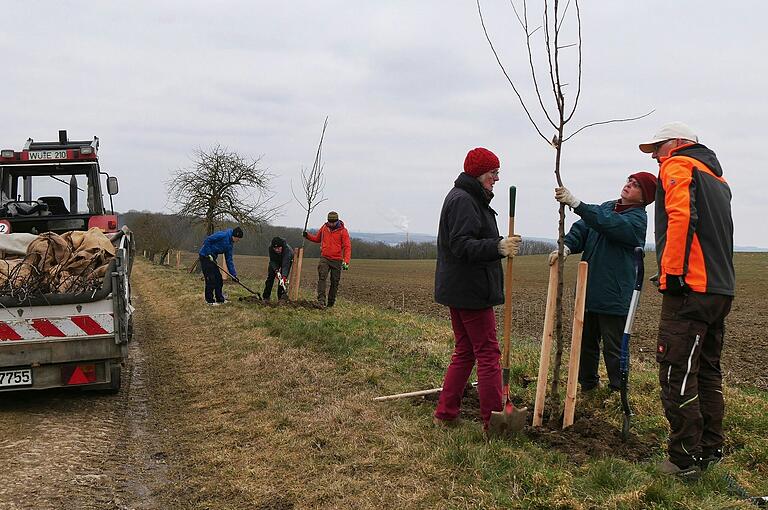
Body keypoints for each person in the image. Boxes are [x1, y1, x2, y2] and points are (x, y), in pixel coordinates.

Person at [639, 121, 734, 480]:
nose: (656, 158)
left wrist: (673, 274)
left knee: (677, 371)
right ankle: (711, 450)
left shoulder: (678, 166)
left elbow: (681, 218)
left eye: (658, 149)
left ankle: (682, 460)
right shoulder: (717, 179)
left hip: (690, 291)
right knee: (708, 371)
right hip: (719, 289)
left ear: (678, 143)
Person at [433, 147, 521, 432]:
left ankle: (446, 412)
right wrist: (497, 246)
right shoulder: (464, 200)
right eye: (492, 173)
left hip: (462, 287)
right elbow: (461, 244)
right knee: (487, 353)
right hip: (470, 290)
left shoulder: (468, 197)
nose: (496, 178)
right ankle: (494, 421)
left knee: (466, 351)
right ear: (479, 173)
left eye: (497, 173)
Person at [551, 172, 657, 393]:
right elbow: (583, 227)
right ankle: (588, 386)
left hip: (614, 295)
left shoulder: (636, 220)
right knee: (585, 342)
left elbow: (607, 223)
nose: (629, 185)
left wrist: (577, 204)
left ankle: (618, 391)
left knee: (614, 347)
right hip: (588, 291)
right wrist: (567, 246)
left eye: (636, 185)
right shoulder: (608, 206)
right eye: (629, 180)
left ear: (644, 197)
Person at [303, 211, 351, 307]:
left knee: (335, 281)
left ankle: (330, 303)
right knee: (322, 277)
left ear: (337, 221)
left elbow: (347, 246)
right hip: (325, 258)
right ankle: (321, 301)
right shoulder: (324, 228)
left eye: (333, 222)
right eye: (330, 222)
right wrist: (307, 236)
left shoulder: (343, 231)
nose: (331, 224)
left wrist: (346, 261)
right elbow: (317, 239)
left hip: (337, 260)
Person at [198, 226, 243, 305]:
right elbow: (208, 240)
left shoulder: (230, 245)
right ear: (235, 235)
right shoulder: (223, 235)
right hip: (205, 256)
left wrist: (234, 275)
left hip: (212, 259)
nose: (238, 241)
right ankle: (209, 301)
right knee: (211, 279)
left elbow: (229, 260)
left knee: (218, 279)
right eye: (238, 239)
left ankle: (220, 299)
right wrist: (208, 253)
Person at [263, 236, 294, 301]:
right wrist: (276, 271)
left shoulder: (287, 250)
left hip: (287, 261)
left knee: (282, 280)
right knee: (270, 277)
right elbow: (272, 261)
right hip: (275, 261)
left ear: (282, 246)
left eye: (278, 248)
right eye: (275, 248)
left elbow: (285, 265)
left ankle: (281, 298)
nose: (277, 250)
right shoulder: (271, 248)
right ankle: (266, 297)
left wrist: (284, 276)